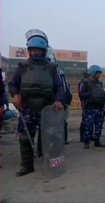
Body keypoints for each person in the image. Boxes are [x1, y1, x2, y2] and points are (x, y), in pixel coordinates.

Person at [8, 35, 65, 176]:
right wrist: (15, 95)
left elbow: (60, 87)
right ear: (29, 51)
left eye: (39, 50)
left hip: (47, 108)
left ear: (44, 51)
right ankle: (27, 166)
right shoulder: (22, 67)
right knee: (25, 137)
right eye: (33, 50)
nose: (36, 53)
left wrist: (59, 100)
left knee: (49, 137)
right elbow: (12, 84)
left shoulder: (52, 68)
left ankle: (49, 162)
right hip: (27, 107)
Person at [79, 65, 105, 149]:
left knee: (99, 126)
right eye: (97, 73)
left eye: (99, 73)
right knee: (88, 126)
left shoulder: (100, 83)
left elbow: (102, 94)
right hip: (90, 108)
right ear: (93, 73)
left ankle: (97, 141)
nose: (99, 75)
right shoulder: (86, 83)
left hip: (99, 108)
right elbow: (81, 94)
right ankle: (86, 142)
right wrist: (90, 94)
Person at [59, 70, 73, 144]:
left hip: (61, 104)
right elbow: (67, 92)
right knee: (62, 122)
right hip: (61, 104)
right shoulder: (61, 78)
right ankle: (63, 140)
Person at [78, 71, 90, 142]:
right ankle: (82, 137)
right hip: (85, 103)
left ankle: (86, 136)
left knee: (87, 121)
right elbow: (81, 94)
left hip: (86, 103)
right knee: (84, 121)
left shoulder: (84, 83)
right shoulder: (83, 83)